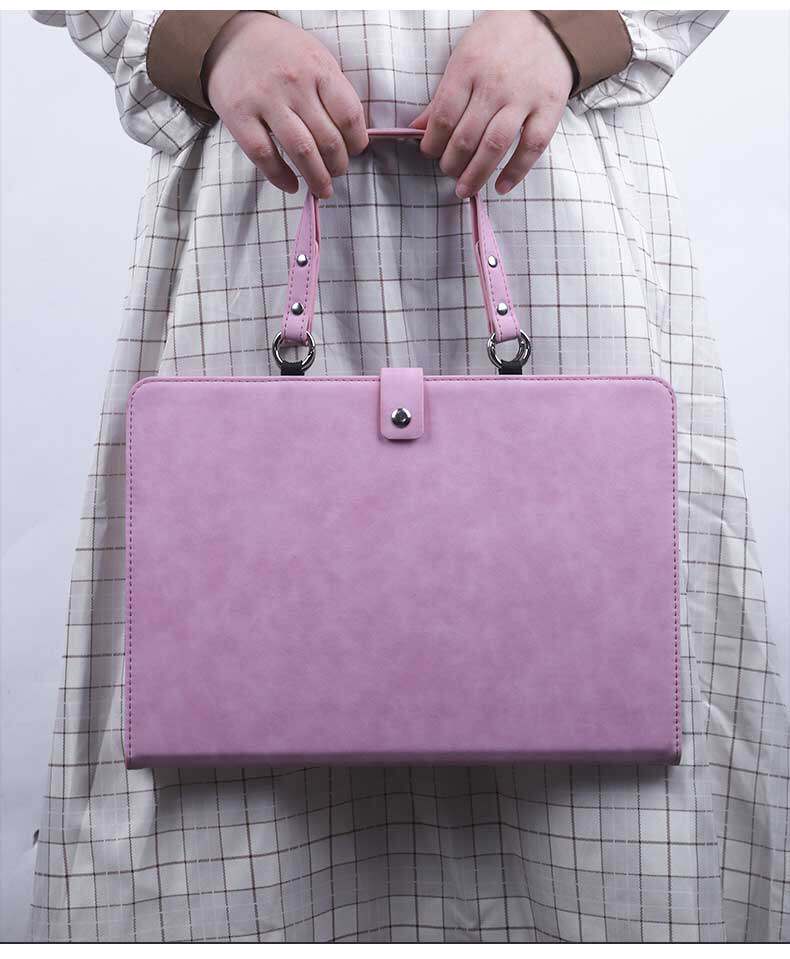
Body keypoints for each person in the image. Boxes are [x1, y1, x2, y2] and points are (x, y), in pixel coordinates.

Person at [30, 9, 789, 943]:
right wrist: (210, 35)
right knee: (228, 803)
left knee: (609, 791)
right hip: (253, 198)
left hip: (554, 199)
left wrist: (569, 28)